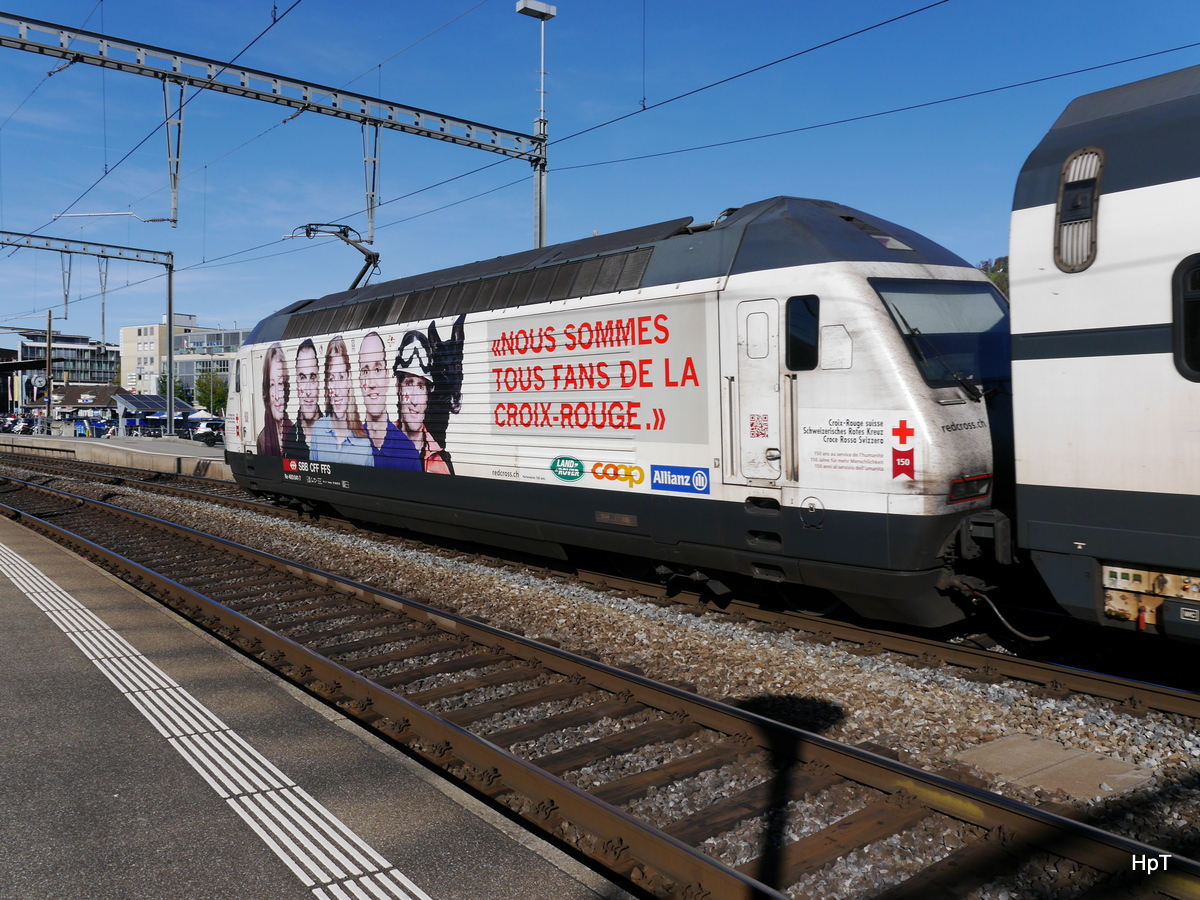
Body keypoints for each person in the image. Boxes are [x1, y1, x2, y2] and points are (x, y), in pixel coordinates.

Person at [359, 331, 421, 470]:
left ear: (387, 377)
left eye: (377, 369)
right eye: (365, 371)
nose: (372, 383)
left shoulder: (408, 452)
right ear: (359, 381)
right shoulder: (350, 446)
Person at [310, 335, 374, 465]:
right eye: (332, 379)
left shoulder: (364, 443)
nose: (337, 391)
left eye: (341, 377)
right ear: (327, 384)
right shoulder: (318, 430)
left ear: (349, 379)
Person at [393, 330, 450, 474]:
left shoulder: (441, 461)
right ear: (398, 388)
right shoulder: (379, 444)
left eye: (420, 386)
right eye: (409, 383)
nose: (415, 400)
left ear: (428, 393)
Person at [256, 342, 294, 456]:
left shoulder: (297, 434)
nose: (277, 396)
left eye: (281, 383)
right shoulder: (262, 440)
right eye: (272, 385)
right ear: (266, 392)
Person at [285, 338, 320, 459]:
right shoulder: (289, 439)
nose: (308, 391)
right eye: (302, 377)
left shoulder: (333, 432)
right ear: (296, 382)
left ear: (319, 381)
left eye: (312, 377)